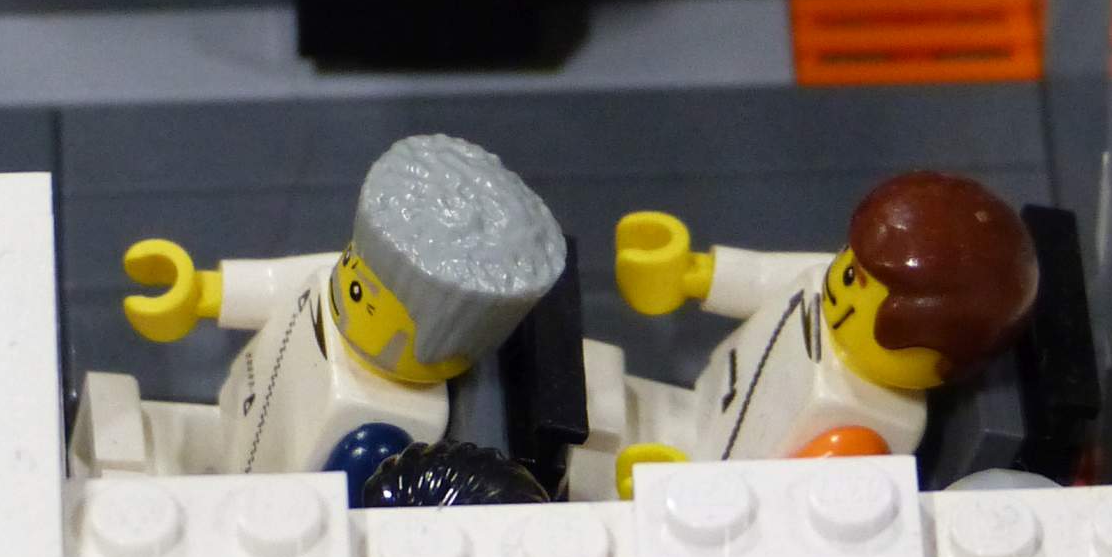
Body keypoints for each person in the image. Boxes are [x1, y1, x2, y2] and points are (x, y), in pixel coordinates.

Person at [120, 131, 567, 477]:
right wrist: (200, 293)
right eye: (352, 262)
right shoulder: (336, 281)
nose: (346, 279)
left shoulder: (391, 425)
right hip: (229, 420)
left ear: (433, 339)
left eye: (361, 294)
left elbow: (339, 503)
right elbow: (277, 284)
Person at [592, 171, 1039, 472]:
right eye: (849, 267)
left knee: (588, 471)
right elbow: (762, 277)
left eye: (862, 285)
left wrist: (686, 490)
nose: (840, 286)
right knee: (592, 382)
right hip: (693, 406)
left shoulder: (867, 427)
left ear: (925, 340)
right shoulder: (823, 285)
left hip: (706, 472)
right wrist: (688, 274)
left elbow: (788, 498)